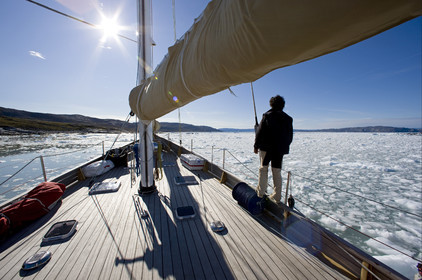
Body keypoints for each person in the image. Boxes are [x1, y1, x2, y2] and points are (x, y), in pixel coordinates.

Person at [254, 95, 293, 203]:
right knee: (276, 171)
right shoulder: (288, 119)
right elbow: (290, 137)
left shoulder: (267, 116)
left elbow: (259, 132)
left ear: (271, 104)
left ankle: (260, 193)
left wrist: (256, 146)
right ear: (283, 105)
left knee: (263, 169)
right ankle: (277, 196)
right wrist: (282, 147)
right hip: (279, 150)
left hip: (266, 149)